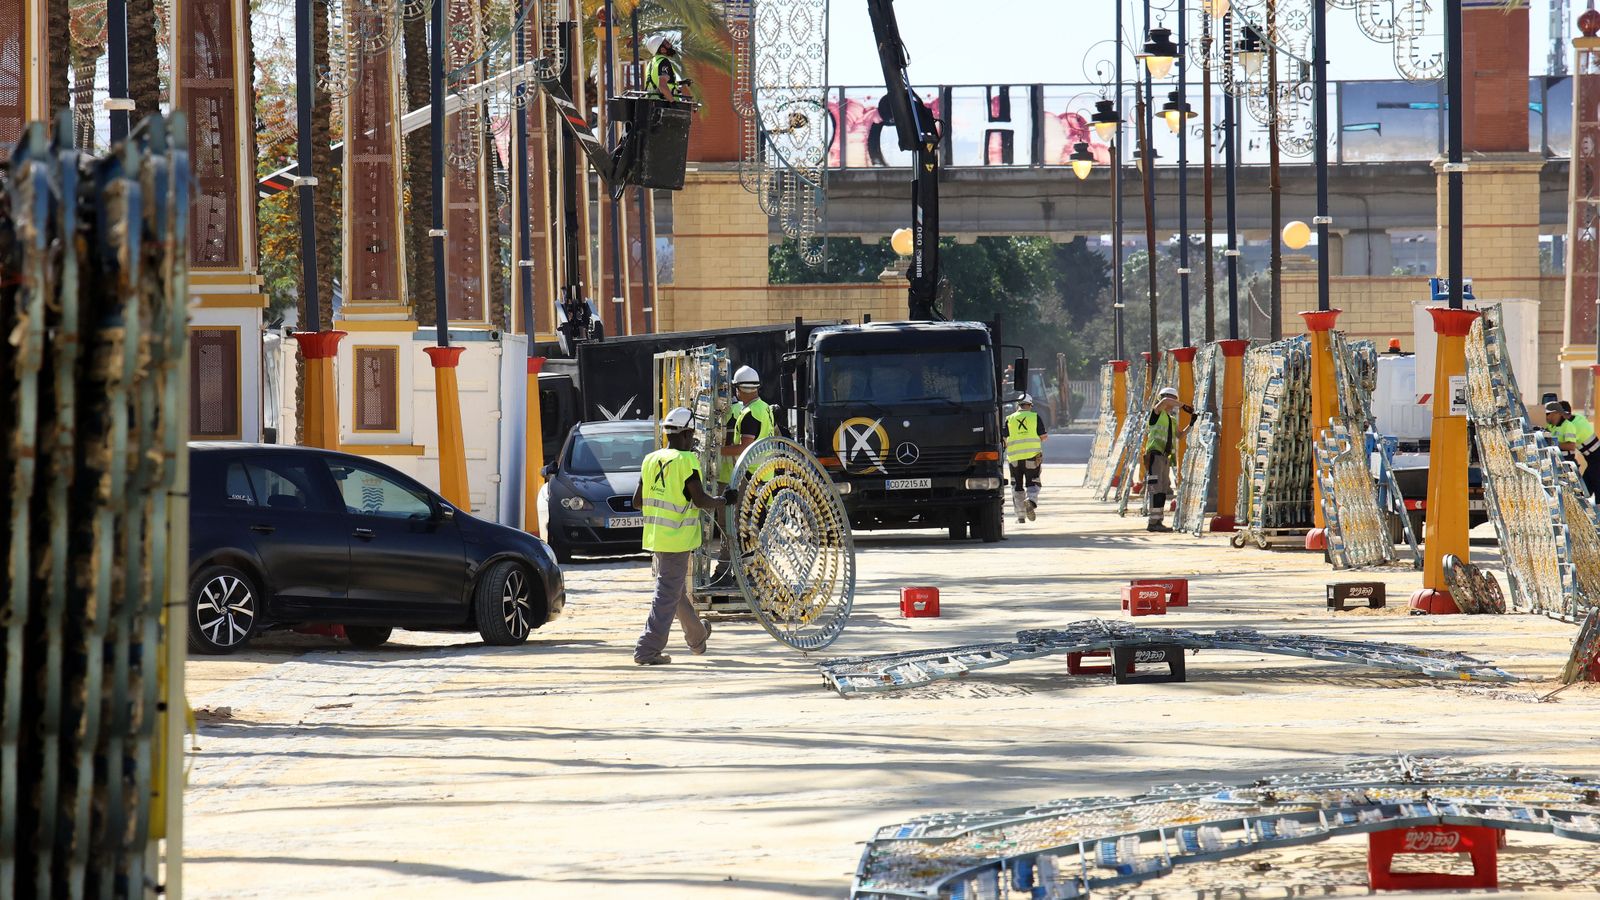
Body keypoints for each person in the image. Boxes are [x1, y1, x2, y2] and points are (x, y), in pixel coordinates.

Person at [631, 407, 734, 665]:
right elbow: (700, 499)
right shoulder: (686, 461)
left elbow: (636, 502)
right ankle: (647, 649)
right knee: (667, 594)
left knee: (674, 591)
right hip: (677, 539)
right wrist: (724, 500)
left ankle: (697, 637)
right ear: (687, 434)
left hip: (657, 538)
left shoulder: (650, 459)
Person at [1143, 387, 1194, 533]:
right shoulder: (1156, 413)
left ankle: (1158, 520)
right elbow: (1165, 401)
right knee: (1155, 488)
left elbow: (1180, 436)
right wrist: (1183, 405)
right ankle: (1153, 522)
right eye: (1171, 400)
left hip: (1165, 458)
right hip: (1154, 455)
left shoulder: (1171, 420)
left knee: (1162, 489)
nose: (1172, 403)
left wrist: (1191, 424)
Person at [719, 365, 776, 484]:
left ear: (738, 388)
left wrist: (718, 451)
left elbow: (744, 448)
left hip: (751, 477)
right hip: (765, 475)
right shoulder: (764, 407)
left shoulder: (750, 413)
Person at [1004, 394, 1046, 523]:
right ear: (1030, 405)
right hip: (1032, 456)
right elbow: (1043, 436)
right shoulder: (1034, 417)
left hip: (1014, 458)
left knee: (1016, 485)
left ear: (1018, 405)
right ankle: (1031, 501)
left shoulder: (1009, 419)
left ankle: (1020, 516)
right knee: (1033, 481)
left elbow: (1004, 439)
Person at [1545, 400, 1600, 497]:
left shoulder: (1571, 426)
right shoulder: (1578, 417)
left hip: (1596, 459)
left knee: (1594, 484)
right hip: (1593, 458)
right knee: (1586, 487)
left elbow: (1570, 445)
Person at [644, 34, 691, 102]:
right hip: (664, 105)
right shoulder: (663, 62)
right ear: (662, 49)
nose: (670, 45)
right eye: (667, 43)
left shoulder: (651, 63)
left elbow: (658, 82)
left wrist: (680, 83)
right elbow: (662, 86)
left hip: (653, 103)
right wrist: (673, 102)